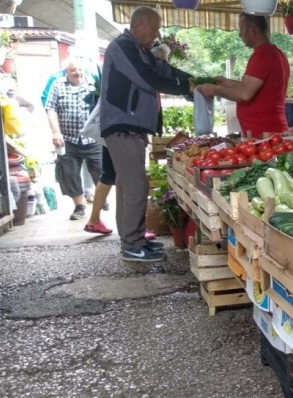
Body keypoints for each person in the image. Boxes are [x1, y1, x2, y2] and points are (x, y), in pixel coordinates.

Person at [100, 6, 194, 262]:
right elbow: (148, 78)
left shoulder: (140, 51)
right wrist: (186, 87)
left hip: (130, 128)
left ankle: (134, 239)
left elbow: (163, 70)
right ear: (139, 25)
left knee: (126, 186)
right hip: (122, 126)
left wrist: (193, 81)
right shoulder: (122, 47)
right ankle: (131, 245)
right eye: (154, 28)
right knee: (136, 186)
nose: (157, 34)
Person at [84, 43, 172, 237]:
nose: (164, 68)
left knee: (122, 180)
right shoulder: (139, 79)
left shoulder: (145, 81)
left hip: (120, 132)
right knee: (124, 181)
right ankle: (129, 235)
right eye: (163, 63)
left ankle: (129, 233)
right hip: (120, 133)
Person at [196, 14, 289, 137]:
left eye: (241, 29)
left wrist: (214, 90)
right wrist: (226, 82)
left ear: (252, 30)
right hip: (266, 129)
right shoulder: (274, 52)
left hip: (265, 132)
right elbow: (251, 87)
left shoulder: (263, 55)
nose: (240, 34)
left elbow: (245, 94)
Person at [45, 60, 103, 221]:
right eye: (73, 70)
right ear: (66, 72)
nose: (77, 72)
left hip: (93, 138)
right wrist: (56, 132)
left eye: (79, 69)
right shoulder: (57, 85)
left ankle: (100, 198)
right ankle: (79, 206)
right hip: (68, 138)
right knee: (69, 173)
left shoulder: (93, 84)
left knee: (101, 171)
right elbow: (51, 109)